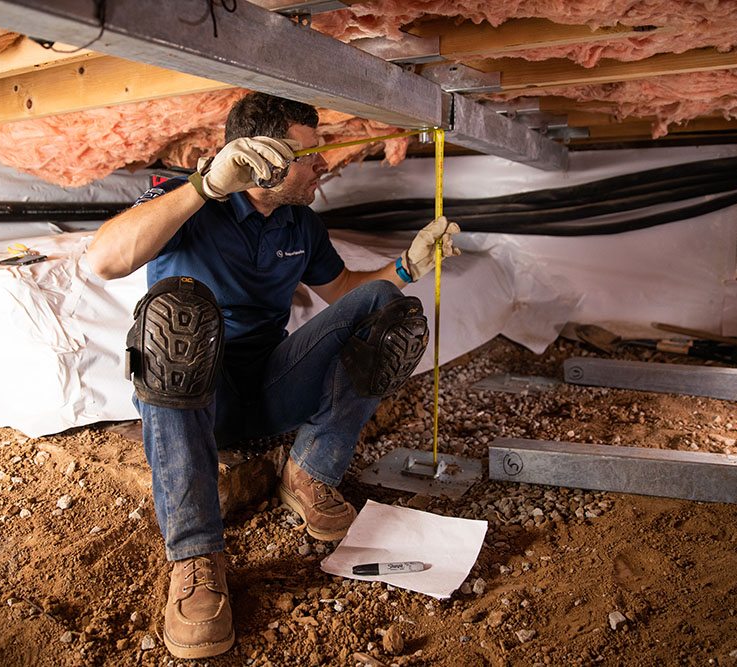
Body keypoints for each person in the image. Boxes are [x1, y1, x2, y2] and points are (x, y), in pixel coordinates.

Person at [85, 92, 460, 659]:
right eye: (310, 155)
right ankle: (195, 559)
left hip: (266, 388)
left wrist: (408, 265)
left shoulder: (299, 224)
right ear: (265, 156)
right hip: (191, 396)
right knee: (177, 314)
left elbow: (342, 295)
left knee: (384, 304)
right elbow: (103, 260)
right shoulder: (183, 199)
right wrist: (207, 185)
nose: (323, 165)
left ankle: (309, 474)